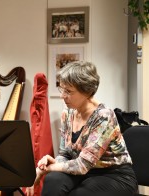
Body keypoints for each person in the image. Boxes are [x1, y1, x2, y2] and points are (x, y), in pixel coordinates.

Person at [25, 61, 138, 196]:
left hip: (115, 175)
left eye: (68, 91)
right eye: (62, 89)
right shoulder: (68, 113)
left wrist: (43, 169)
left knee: (77, 194)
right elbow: (65, 154)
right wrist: (50, 165)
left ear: (87, 91)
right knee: (53, 180)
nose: (62, 96)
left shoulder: (104, 116)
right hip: (83, 172)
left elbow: (82, 165)